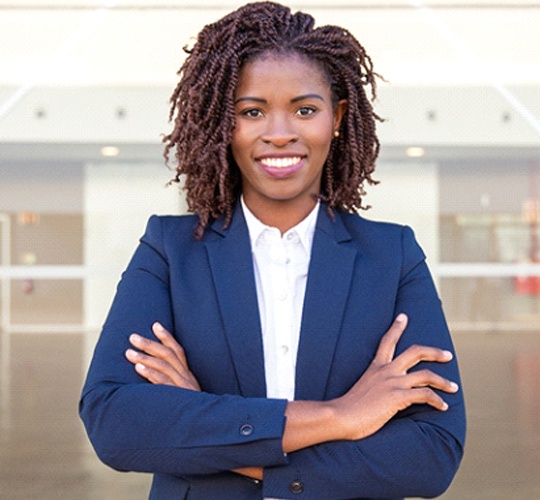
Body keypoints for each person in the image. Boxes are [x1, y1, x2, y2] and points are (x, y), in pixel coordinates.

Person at [79, 2, 466, 499]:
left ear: (337, 117)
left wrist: (207, 429)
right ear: (224, 123)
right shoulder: (170, 252)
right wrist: (340, 416)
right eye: (251, 111)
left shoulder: (392, 256)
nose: (279, 132)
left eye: (305, 109)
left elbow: (431, 455)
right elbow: (115, 423)